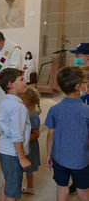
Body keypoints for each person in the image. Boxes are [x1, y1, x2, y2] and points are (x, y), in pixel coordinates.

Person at [45, 67, 89, 201]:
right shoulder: (87, 110)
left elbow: (50, 135)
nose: (87, 85)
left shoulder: (54, 109)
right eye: (85, 82)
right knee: (83, 191)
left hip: (59, 158)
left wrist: (48, 154)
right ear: (79, 87)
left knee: (61, 188)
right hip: (81, 160)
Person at [0, 68, 31, 201]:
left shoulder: (7, 101)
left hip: (5, 149)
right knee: (13, 190)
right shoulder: (17, 107)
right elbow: (17, 135)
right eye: (21, 80)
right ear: (11, 84)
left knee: (8, 182)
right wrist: (22, 157)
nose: (25, 82)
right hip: (13, 153)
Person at [68, 44, 89, 194]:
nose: (76, 58)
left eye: (78, 56)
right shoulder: (79, 73)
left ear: (87, 56)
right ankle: (78, 181)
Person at [19, 87, 41, 195]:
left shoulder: (33, 116)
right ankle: (29, 187)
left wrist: (24, 139)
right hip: (26, 143)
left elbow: (36, 134)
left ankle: (30, 187)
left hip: (30, 146)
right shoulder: (28, 112)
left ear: (26, 101)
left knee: (28, 169)